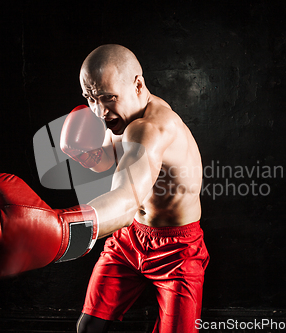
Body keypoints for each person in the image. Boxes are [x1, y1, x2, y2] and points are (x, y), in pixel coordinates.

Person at [74, 44, 209, 333]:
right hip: (129, 238)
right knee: (89, 327)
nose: (99, 111)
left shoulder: (153, 127)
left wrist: (63, 226)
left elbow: (124, 200)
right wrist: (86, 154)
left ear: (138, 84)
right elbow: (108, 160)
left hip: (177, 249)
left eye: (108, 98)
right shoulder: (123, 117)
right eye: (90, 98)